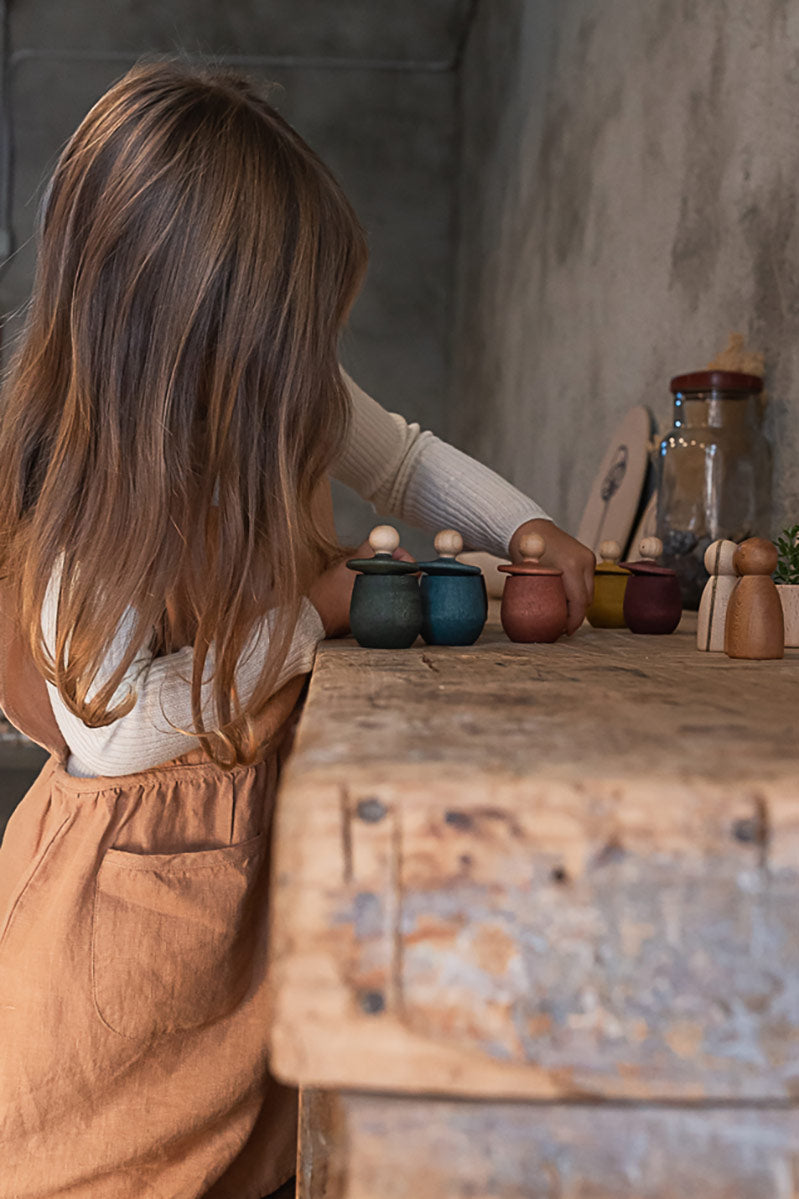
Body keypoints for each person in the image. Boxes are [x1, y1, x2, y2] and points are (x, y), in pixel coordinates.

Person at [0, 61, 594, 1198]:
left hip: (225, 883)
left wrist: (526, 524)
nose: (311, 372)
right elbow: (117, 736)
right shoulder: (93, 517)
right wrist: (309, 615)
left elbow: (404, 459)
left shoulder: (273, 385)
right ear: (185, 345)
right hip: (123, 916)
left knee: (252, 1145)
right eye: (288, 338)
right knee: (118, 1163)